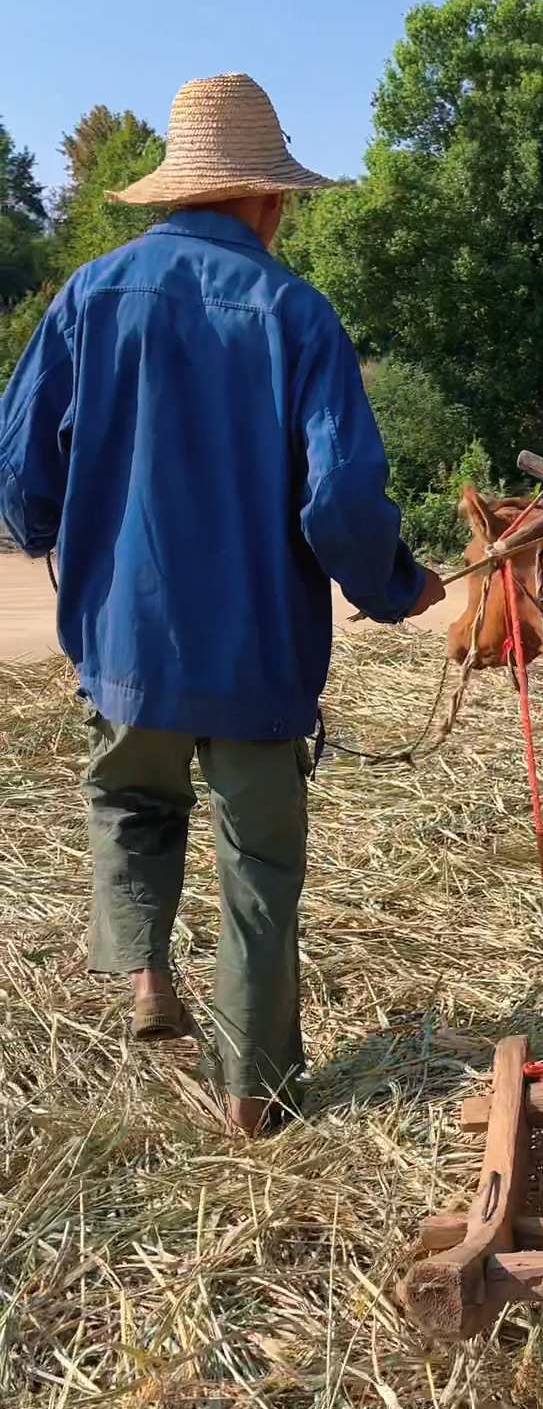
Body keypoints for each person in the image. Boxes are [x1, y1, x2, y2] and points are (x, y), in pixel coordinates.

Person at [0, 74, 444, 1136]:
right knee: (259, 872)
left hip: (124, 648)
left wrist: (45, 533)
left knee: (131, 804)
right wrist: (395, 585)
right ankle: (255, 1095)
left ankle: (147, 970)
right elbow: (338, 498)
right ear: (267, 198)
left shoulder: (87, 296)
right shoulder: (297, 315)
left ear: (174, 192)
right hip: (256, 665)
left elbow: (20, 469)